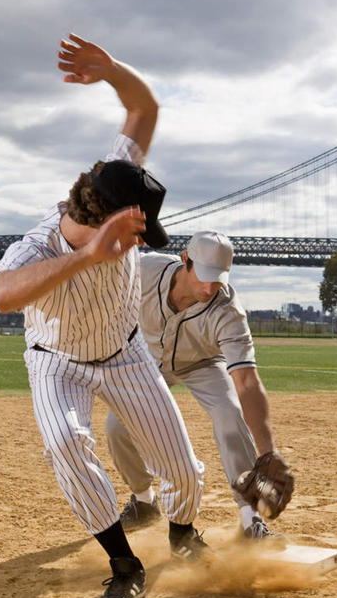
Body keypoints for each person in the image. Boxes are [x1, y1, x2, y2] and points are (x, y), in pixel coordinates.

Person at [0, 34, 205, 598]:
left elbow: (144, 110)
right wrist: (89, 258)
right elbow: (3, 295)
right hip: (56, 359)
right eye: (135, 234)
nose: (143, 243)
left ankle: (184, 536)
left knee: (182, 469)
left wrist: (113, 71)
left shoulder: (119, 179)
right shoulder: (36, 247)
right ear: (102, 219)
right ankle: (124, 566)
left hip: (125, 353)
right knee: (65, 444)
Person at [106, 230, 288, 541]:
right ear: (185, 260)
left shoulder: (228, 310)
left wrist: (268, 454)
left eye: (217, 279)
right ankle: (144, 501)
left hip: (203, 364)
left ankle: (251, 520)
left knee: (230, 413)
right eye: (203, 276)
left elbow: (246, 381)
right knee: (117, 427)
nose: (208, 287)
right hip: (148, 362)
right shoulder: (143, 271)